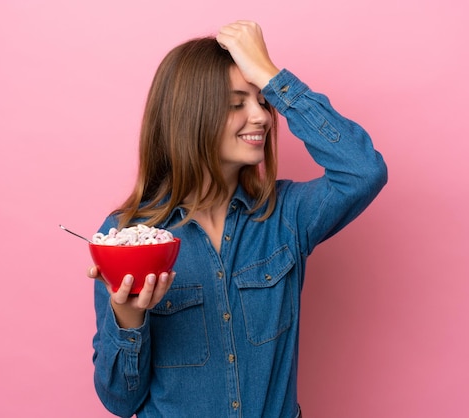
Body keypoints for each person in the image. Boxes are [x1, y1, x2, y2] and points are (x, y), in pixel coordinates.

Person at [87, 20, 387, 418]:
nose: (261, 117)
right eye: (236, 104)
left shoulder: (286, 215)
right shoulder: (125, 237)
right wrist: (129, 318)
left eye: (263, 101)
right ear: (189, 116)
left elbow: (363, 170)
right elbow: (120, 402)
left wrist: (272, 76)